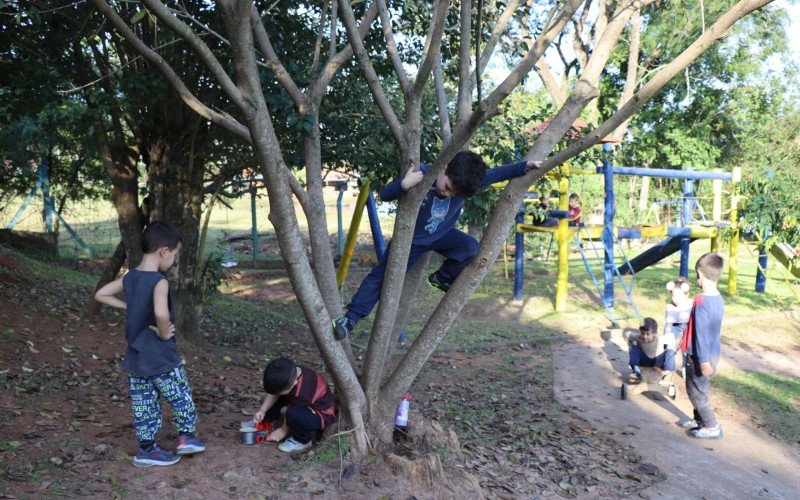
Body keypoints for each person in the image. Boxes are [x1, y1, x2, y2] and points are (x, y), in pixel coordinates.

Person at [332, 151, 541, 340]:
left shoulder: (464, 182)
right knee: (382, 276)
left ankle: (442, 277)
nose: (448, 194)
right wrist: (405, 184)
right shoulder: (422, 176)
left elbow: (496, 173)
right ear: (445, 168)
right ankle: (350, 318)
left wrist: (525, 166)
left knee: (470, 247)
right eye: (448, 187)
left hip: (442, 234)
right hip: (411, 241)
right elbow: (385, 194)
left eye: (454, 194)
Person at [94, 221, 205, 467]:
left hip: (136, 356)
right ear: (164, 251)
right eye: (174, 255)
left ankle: (147, 450)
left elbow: (100, 294)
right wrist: (165, 334)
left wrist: (131, 307)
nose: (173, 261)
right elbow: (162, 314)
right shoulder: (159, 281)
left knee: (144, 403)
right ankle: (186, 437)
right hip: (161, 355)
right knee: (180, 396)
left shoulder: (130, 277)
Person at [679, 253, 725, 439]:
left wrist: (703, 360)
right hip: (712, 353)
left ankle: (712, 426)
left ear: (700, 273)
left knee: (696, 393)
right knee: (699, 390)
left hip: (700, 356)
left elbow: (701, 335)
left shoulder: (700, 301)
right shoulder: (718, 298)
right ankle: (701, 421)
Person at [253, 357, 336, 453]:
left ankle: (302, 441)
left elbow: (291, 410)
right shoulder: (290, 373)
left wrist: (283, 430)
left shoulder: (303, 392)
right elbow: (274, 393)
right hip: (302, 404)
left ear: (294, 383)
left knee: (294, 414)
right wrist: (262, 410)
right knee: (280, 395)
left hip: (321, 414)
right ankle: (265, 421)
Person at [626, 317, 676, 383]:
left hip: (657, 362)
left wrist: (669, 347)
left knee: (671, 352)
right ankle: (636, 371)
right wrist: (630, 346)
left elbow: (671, 336)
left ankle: (667, 374)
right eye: (642, 333)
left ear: (655, 333)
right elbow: (628, 334)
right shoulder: (637, 337)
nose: (644, 336)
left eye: (648, 334)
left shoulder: (659, 339)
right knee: (633, 348)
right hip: (644, 361)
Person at [665, 276, 693, 378]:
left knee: (687, 347)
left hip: (687, 325)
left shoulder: (691, 304)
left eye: (679, 296)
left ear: (686, 295)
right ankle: (669, 368)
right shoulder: (670, 307)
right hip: (674, 325)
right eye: (674, 296)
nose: (676, 299)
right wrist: (667, 335)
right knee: (669, 345)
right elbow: (668, 324)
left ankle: (686, 367)